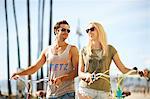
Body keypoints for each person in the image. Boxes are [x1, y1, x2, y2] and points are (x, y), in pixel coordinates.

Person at [78, 21, 149, 99]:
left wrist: (139, 73)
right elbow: (80, 73)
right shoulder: (83, 50)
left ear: (100, 30)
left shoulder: (110, 49)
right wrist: (87, 75)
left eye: (92, 29)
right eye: (87, 30)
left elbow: (123, 69)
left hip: (104, 91)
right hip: (86, 90)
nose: (89, 32)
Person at [11, 20, 79, 99]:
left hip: (67, 93)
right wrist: (19, 73)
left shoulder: (72, 49)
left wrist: (62, 78)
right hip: (50, 94)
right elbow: (35, 67)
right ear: (56, 31)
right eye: (63, 29)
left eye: (68, 30)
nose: (66, 32)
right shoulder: (47, 50)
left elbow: (76, 71)